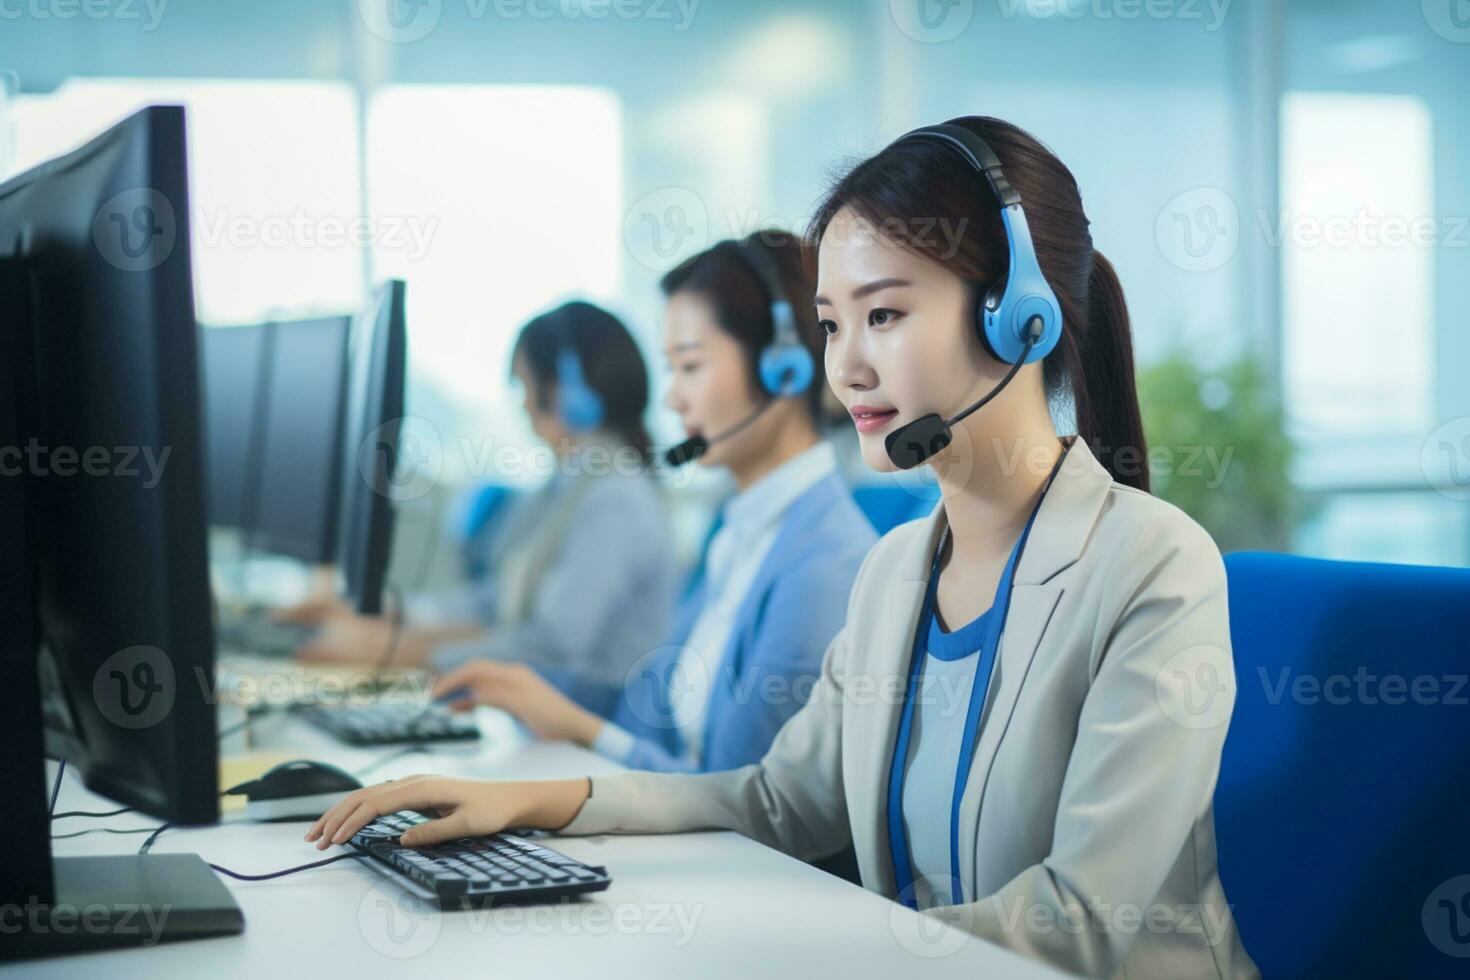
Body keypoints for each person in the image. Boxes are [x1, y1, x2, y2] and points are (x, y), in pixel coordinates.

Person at [307, 119, 1259, 980]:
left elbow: (1082, 922)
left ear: (1021, 316)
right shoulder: (895, 575)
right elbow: (774, 801)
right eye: (833, 323)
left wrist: (795, 952)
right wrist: (533, 803)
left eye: (883, 315)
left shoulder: (1152, 567)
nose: (845, 368)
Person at [428, 230, 876, 773]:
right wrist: (522, 689)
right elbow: (651, 720)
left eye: (690, 366)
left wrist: (579, 729)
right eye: (671, 370)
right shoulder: (739, 532)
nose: (672, 398)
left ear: (781, 366)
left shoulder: (824, 563)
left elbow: (742, 797)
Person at [292, 301, 676, 698]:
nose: (523, 404)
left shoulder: (616, 499)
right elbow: (498, 602)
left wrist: (398, 651)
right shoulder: (570, 483)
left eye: (524, 385)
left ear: (568, 391)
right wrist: (398, 615)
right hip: (542, 719)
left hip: (582, 728)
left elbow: (551, 645)